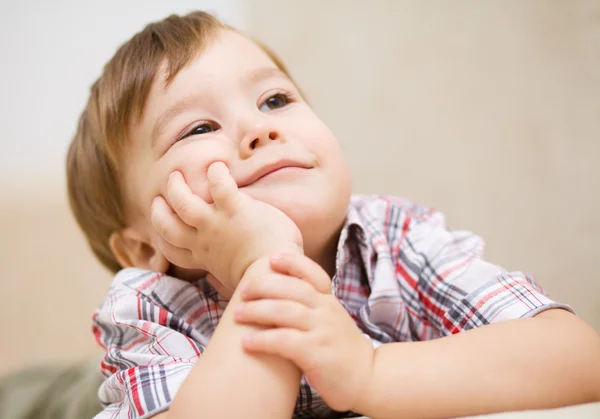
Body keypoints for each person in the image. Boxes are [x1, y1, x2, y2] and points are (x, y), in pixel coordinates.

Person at [66, 10, 600, 419]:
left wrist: (370, 372)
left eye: (274, 99)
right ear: (141, 247)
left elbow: (581, 360)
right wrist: (265, 265)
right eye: (199, 129)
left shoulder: (396, 240)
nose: (260, 128)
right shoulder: (147, 307)